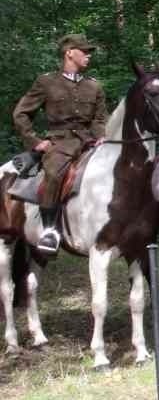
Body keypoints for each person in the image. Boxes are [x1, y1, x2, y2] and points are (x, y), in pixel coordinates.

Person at [12, 33, 107, 253]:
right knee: (54, 173)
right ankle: (49, 231)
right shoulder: (46, 82)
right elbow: (21, 113)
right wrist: (35, 141)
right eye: (84, 51)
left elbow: (100, 118)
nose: (88, 56)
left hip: (89, 142)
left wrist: (101, 134)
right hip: (59, 143)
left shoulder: (94, 86)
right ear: (69, 53)